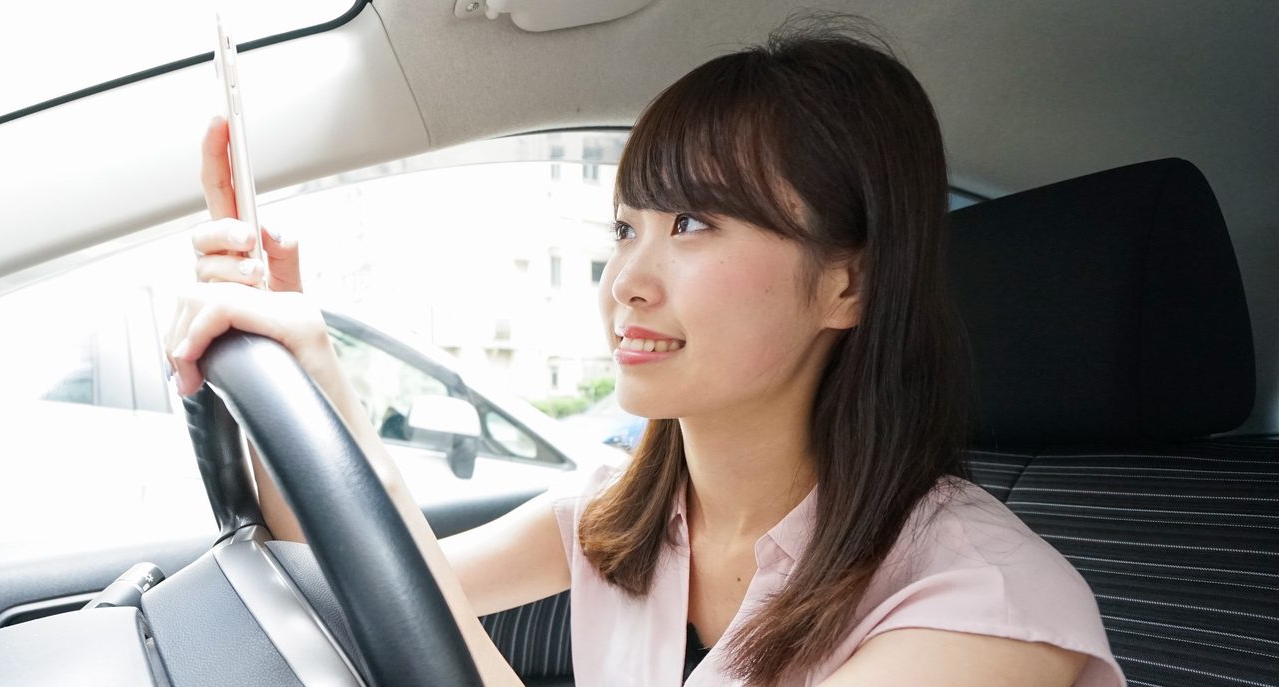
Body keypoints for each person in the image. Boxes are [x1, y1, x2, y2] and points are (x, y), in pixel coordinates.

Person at [166, 17, 1126, 687]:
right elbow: (355, 583)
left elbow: (418, 620)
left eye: (697, 222)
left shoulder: (987, 601)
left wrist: (330, 381)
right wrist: (293, 367)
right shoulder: (621, 514)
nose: (626, 277)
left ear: (851, 284)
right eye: (625, 228)